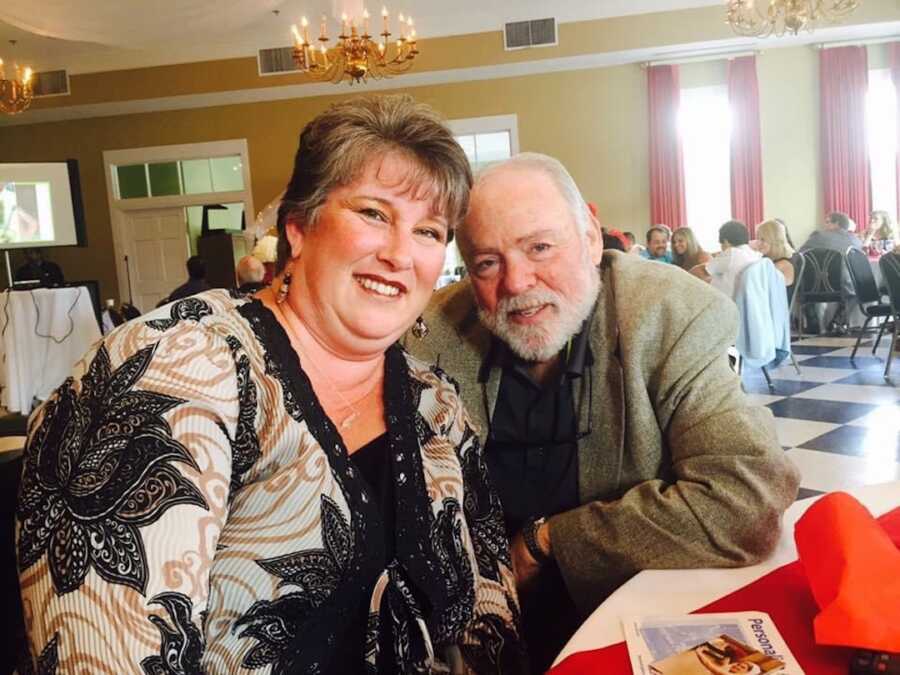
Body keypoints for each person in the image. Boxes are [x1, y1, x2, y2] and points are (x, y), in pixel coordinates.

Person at [17, 95, 524, 674]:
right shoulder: (176, 369)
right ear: (299, 226)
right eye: (373, 214)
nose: (399, 254)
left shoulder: (434, 404)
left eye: (429, 231)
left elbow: (489, 608)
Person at [406, 153, 799, 672]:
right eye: (487, 262)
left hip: (618, 616)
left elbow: (746, 500)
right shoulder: (429, 331)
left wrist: (547, 540)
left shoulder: (668, 315)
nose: (518, 282)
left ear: (591, 239)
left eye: (540, 247)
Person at [696, 220, 761, 301]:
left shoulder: (732, 253)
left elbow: (703, 270)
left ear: (726, 242)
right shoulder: (755, 255)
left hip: (725, 304)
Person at [756, 219, 796, 286]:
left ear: (774, 240)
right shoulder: (769, 259)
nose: (758, 243)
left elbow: (758, 283)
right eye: (758, 239)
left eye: (763, 240)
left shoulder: (784, 264)